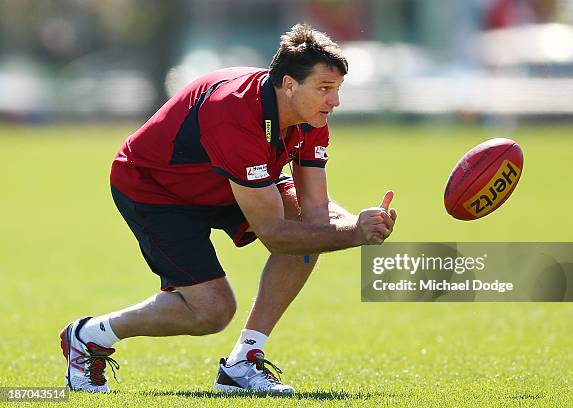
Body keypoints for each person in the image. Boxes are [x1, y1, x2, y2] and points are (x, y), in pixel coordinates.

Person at [59, 23, 397, 394]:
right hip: (155, 188)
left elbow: (315, 212)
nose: (335, 101)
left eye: (337, 90)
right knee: (212, 311)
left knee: (307, 231)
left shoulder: (311, 117)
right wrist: (354, 234)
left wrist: (362, 222)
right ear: (288, 84)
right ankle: (89, 335)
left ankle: (242, 363)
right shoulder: (234, 113)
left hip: (225, 180)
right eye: (325, 89)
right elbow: (275, 234)